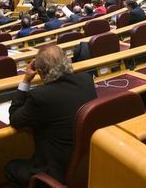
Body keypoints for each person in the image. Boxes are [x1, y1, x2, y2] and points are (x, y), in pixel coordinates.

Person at [5, 45, 97, 186]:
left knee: (11, 168)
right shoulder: (86, 80)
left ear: (40, 73)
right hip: (87, 165)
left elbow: (15, 119)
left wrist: (26, 81)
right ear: (67, 62)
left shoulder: (40, 97)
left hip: (56, 172)